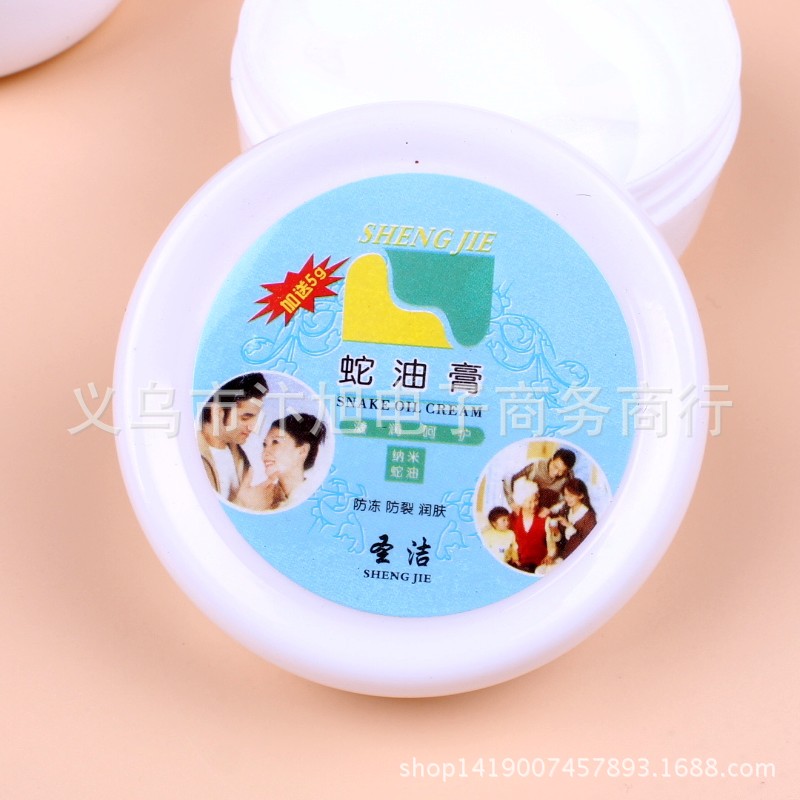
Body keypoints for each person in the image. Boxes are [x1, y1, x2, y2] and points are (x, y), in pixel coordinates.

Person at [235, 413, 328, 511]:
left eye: (275, 442)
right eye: (265, 445)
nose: (265, 453)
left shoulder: (316, 501)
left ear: (302, 451)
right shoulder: (261, 500)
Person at [198, 373, 268, 501]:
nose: (253, 428)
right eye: (245, 418)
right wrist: (244, 505)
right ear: (218, 412)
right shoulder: (191, 455)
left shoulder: (240, 456)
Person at [505, 447, 577, 510]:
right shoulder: (536, 465)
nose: (556, 473)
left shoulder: (568, 477)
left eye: (562, 471)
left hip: (545, 512)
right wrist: (511, 502)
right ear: (552, 459)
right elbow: (508, 479)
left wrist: (552, 510)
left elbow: (569, 498)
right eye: (555, 467)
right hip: (526, 508)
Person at [508, 479, 548, 572]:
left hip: (541, 564)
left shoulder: (543, 515)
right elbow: (508, 541)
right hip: (519, 564)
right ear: (521, 502)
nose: (533, 505)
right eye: (529, 502)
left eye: (535, 500)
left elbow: (552, 542)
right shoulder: (512, 518)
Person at [552, 477, 597, 559]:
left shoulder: (589, 517)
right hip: (562, 555)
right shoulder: (565, 509)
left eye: (571, 496)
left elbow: (588, 545)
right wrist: (556, 530)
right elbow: (560, 539)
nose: (567, 499)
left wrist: (569, 526)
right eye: (565, 495)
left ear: (581, 495)